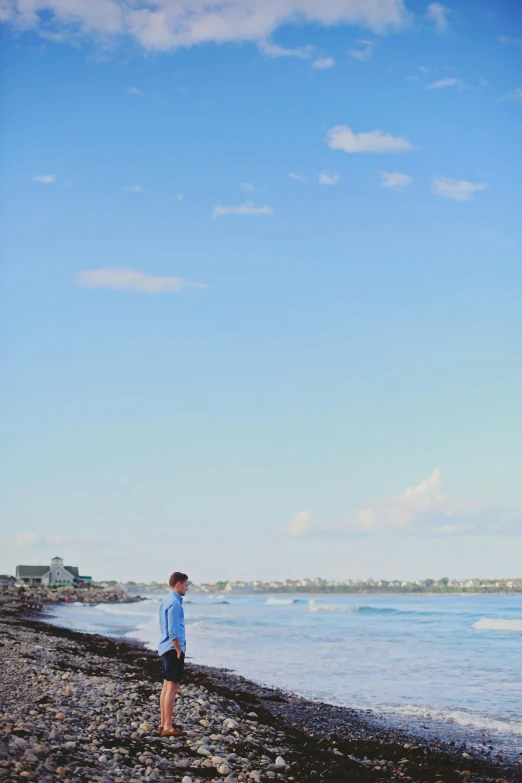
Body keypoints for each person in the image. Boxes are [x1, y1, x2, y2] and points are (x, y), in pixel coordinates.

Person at [158, 571, 188, 737]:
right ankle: (168, 727)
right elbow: (173, 630)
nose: (187, 588)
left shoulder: (165, 600)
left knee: (166, 687)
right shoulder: (175, 603)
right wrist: (178, 649)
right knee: (172, 688)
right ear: (178, 584)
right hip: (171, 649)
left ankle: (163, 724)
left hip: (164, 647)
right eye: (186, 585)